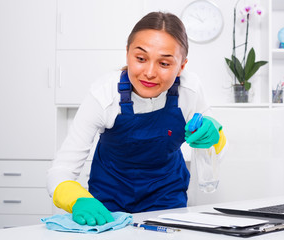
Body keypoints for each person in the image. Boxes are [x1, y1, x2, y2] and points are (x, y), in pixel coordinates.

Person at [47, 11, 227, 226]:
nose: (149, 72)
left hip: (167, 199)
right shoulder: (103, 95)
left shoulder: (190, 90)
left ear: (181, 67)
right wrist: (77, 200)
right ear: (127, 53)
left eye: (164, 63)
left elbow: (217, 151)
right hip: (107, 202)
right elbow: (61, 170)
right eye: (141, 59)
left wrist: (215, 136)